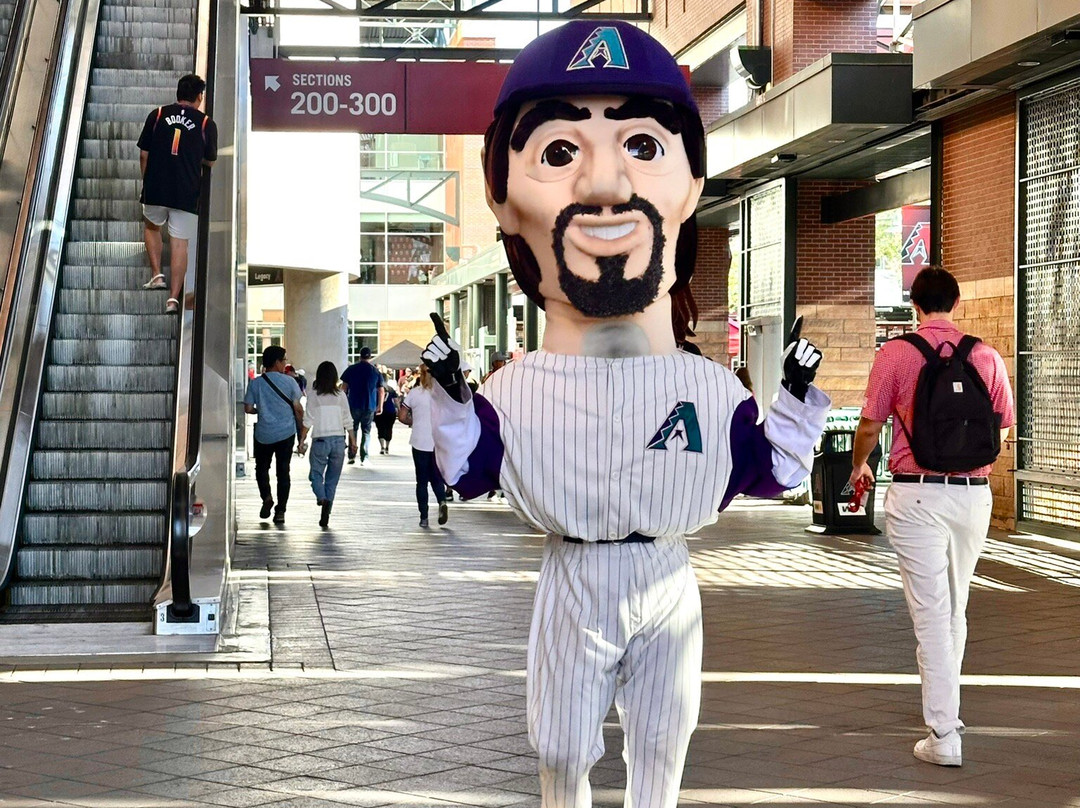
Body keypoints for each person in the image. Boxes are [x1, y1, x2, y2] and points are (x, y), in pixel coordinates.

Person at [419, 21, 829, 808]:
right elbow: (469, 471)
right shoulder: (520, 386)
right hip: (574, 570)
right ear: (501, 197)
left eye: (642, 145)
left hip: (666, 571)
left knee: (663, 746)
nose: (605, 185)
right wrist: (451, 393)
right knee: (562, 748)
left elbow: (772, 471)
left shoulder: (706, 387)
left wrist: (795, 398)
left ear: (691, 184)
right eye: (558, 151)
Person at [850, 266, 1014, 768]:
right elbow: (1003, 430)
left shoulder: (896, 354)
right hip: (973, 496)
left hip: (917, 494)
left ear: (915, 305)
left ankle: (943, 733)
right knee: (954, 609)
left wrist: (859, 465)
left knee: (931, 615)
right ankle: (948, 712)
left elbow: (870, 423)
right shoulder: (986, 356)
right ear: (957, 303)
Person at [138, 74, 218, 314]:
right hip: (187, 192)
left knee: (152, 226)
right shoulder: (206, 123)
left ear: (178, 93)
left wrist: (147, 181)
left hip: (156, 187)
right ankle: (173, 299)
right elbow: (210, 160)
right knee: (180, 243)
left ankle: (156, 275)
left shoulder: (158, 115)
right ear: (199, 96)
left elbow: (144, 154)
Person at [243, 345, 304, 525]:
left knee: (261, 469)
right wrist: (302, 432)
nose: (285, 363)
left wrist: (261, 411)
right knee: (283, 471)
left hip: (263, 434)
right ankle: (280, 511)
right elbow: (298, 409)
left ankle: (267, 497)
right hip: (286, 433)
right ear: (277, 362)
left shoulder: (256, 383)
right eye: (284, 360)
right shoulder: (290, 382)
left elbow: (248, 408)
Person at [297, 361, 356, 528]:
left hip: (320, 441)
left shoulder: (314, 395)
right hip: (338, 441)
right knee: (332, 480)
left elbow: (308, 420)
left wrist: (301, 440)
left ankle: (321, 497)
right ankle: (326, 512)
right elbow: (348, 419)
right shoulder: (341, 395)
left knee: (315, 474)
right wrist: (353, 441)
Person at [398, 365, 450, 529]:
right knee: (436, 477)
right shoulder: (442, 394)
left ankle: (424, 517)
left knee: (421, 481)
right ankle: (442, 501)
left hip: (419, 441)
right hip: (438, 442)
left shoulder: (414, 393)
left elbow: (402, 416)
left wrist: (414, 422)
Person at [340, 346, 384, 465]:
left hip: (353, 404)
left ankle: (351, 456)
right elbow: (381, 390)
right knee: (366, 431)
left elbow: (344, 389)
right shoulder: (375, 371)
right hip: (369, 405)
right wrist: (380, 406)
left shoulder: (351, 369)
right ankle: (364, 457)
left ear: (360, 356)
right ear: (370, 357)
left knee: (352, 429)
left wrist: (343, 405)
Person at [374, 370, 399, 455]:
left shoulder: (376, 388)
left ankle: (382, 447)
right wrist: (398, 409)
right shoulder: (391, 389)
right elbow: (396, 400)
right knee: (389, 428)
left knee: (380, 428)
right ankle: (387, 446)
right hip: (390, 411)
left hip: (379, 411)